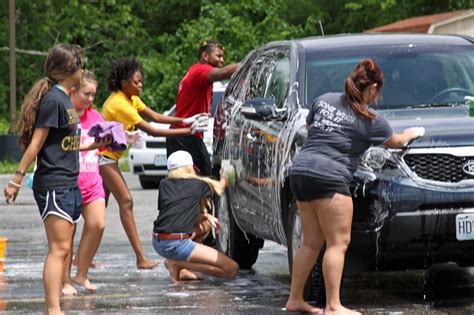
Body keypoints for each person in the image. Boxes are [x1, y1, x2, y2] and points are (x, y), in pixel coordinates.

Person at [285, 59, 425, 314]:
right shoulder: (372, 120)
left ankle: (295, 299)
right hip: (330, 176)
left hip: (301, 172)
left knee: (311, 242)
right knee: (337, 243)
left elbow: (310, 126)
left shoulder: (324, 99)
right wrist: (412, 132)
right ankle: (333, 306)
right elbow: (395, 142)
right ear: (372, 88)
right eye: (378, 92)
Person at [3, 44, 107, 315]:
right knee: (59, 249)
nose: (83, 71)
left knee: (63, 247)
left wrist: (90, 146)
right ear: (68, 71)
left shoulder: (64, 100)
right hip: (54, 184)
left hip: (68, 182)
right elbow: (37, 143)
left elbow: (62, 142)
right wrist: (16, 179)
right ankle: (52, 309)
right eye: (80, 67)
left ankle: (54, 308)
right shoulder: (53, 100)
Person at [99, 58, 206, 269]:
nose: (141, 85)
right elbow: (152, 130)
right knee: (126, 202)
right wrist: (189, 130)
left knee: (96, 210)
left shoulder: (130, 98)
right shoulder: (119, 103)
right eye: (136, 82)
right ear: (123, 83)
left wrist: (187, 119)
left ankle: (84, 256)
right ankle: (141, 258)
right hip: (102, 159)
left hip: (109, 158)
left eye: (141, 81)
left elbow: (156, 117)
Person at [152, 150, 239, 283]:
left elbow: (174, 213)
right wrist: (225, 176)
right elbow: (221, 186)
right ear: (190, 168)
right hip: (177, 243)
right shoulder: (197, 184)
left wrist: (204, 216)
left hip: (158, 241)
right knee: (232, 269)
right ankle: (178, 264)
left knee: (206, 225)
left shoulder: (164, 184)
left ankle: (181, 265)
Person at [60, 70, 106, 295]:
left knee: (98, 224)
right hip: (69, 182)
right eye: (86, 94)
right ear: (74, 91)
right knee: (66, 238)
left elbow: (105, 143)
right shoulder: (64, 114)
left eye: (94, 95)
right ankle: (65, 280)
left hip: (92, 181)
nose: (90, 99)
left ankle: (82, 273)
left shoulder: (96, 117)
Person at [166, 39, 239, 176]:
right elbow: (222, 74)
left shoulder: (194, 71)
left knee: (185, 180)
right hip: (186, 136)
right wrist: (245, 64)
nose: (222, 60)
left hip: (182, 135)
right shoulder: (201, 70)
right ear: (205, 56)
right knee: (205, 179)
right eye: (218, 56)